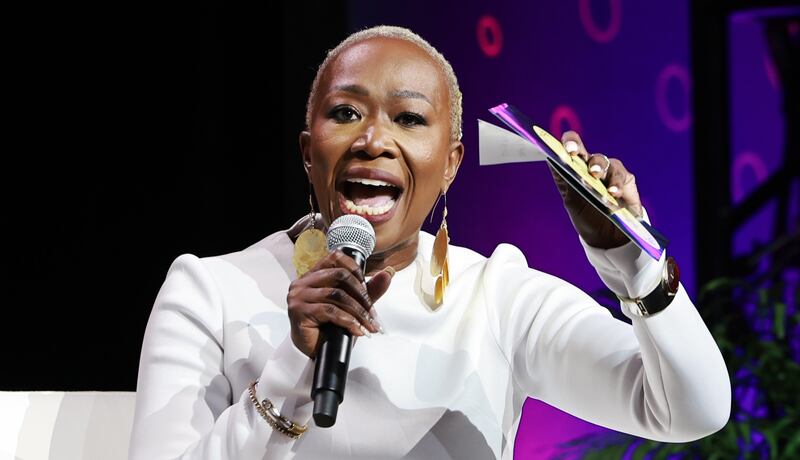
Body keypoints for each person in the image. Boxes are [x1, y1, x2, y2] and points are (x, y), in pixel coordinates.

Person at [128, 25, 731, 460]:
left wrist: (635, 263)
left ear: (450, 165)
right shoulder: (210, 289)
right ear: (308, 152)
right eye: (345, 113)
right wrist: (293, 368)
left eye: (409, 119)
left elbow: (690, 410)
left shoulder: (497, 297)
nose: (373, 140)